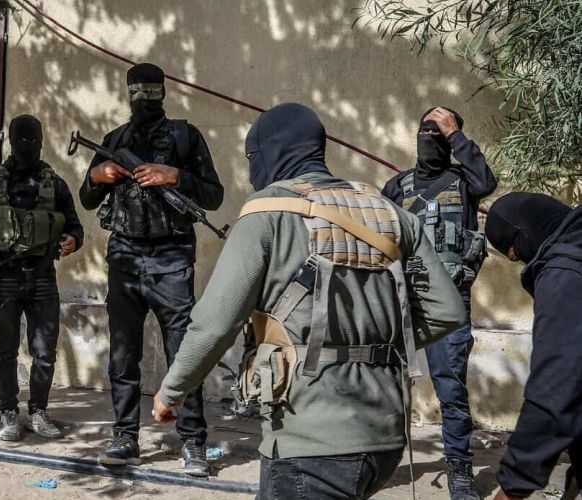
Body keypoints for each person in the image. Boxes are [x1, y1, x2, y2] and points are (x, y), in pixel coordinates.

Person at [153, 103, 468, 499]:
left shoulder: (266, 213)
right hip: (385, 435)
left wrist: (172, 391)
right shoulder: (390, 212)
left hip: (309, 438)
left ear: (270, 153)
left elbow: (215, 323)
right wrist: (379, 345)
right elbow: (446, 311)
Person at [78, 63, 223, 476]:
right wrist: (96, 176)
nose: (144, 99)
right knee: (123, 355)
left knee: (184, 353)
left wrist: (175, 175)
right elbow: (87, 198)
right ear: (128, 94)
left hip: (172, 258)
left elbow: (214, 196)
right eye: (137, 92)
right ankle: (125, 437)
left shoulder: (185, 137)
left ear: (163, 93)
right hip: (124, 258)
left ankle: (192, 440)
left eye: (151, 91)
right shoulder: (114, 140)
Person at [382, 106, 496, 500]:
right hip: (402, 300)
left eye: (440, 130)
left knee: (450, 388)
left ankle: (459, 470)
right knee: (384, 382)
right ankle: (377, 458)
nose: (430, 135)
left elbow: (487, 181)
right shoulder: (398, 186)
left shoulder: (465, 182)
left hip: (449, 304)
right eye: (426, 129)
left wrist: (456, 136)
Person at [0, 114, 84, 441]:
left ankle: (38, 411)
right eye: (22, 140)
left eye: (33, 140)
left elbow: (75, 226)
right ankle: (9, 412)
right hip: (4, 278)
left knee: (44, 351)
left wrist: (72, 240)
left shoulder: (54, 184)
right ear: (12, 142)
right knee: (6, 351)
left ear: (41, 142)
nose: (27, 146)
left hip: (42, 277)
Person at [484, 193, 581, 500]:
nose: (518, 261)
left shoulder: (565, 273)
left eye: (514, 254)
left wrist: (513, 486)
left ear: (523, 234)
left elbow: (555, 390)